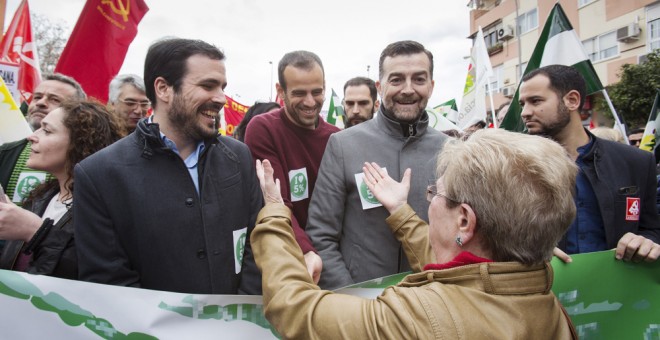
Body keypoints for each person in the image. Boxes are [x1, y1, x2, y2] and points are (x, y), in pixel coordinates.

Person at [251, 128, 578, 339]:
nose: (431, 199)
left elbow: (293, 307)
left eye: (436, 192)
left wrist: (276, 212)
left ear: (464, 220)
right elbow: (464, 273)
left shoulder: (418, 319)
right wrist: (401, 211)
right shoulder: (547, 303)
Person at [74, 38, 263, 294]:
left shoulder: (238, 156)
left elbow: (257, 243)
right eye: (208, 86)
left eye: (222, 87)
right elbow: (108, 278)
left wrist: (236, 317)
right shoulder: (99, 173)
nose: (221, 99)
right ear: (163, 88)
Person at [306, 40, 449, 289]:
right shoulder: (343, 145)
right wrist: (352, 298)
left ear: (431, 85)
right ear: (380, 86)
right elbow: (321, 235)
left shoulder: (451, 151)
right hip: (360, 312)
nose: (407, 89)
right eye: (396, 80)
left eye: (418, 79)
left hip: (430, 307)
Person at [519, 64, 660, 262]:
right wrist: (526, 251)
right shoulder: (513, 165)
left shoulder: (636, 162)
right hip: (543, 287)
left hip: (617, 287)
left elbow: (651, 228)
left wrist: (645, 242)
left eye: (535, 101)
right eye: (522, 104)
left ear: (572, 100)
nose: (525, 112)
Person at [244, 51, 339, 283]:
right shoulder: (263, 129)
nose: (309, 102)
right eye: (299, 93)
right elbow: (277, 201)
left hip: (333, 260)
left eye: (316, 92)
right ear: (280, 91)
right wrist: (305, 250)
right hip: (290, 260)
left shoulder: (338, 139)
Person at [0, 100, 123, 279]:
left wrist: (37, 232)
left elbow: (99, 276)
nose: (32, 136)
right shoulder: (41, 197)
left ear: (80, 143)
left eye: (47, 131)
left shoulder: (106, 207)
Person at [0, 74, 86, 206]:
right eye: (37, 97)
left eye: (55, 99)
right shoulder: (6, 152)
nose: (40, 103)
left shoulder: (87, 163)